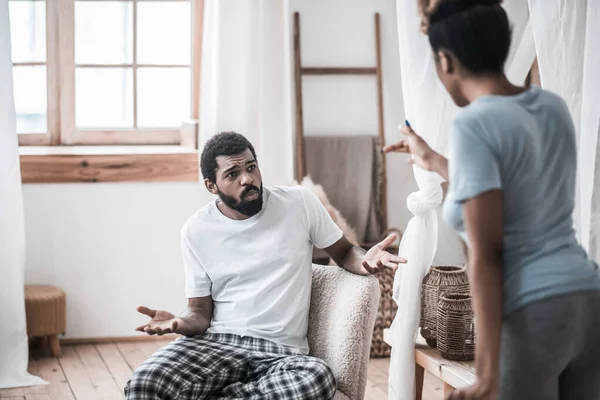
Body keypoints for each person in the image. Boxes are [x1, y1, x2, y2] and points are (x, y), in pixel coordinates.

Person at [384, 1, 600, 399]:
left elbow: (488, 254)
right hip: (586, 301)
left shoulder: (474, 124)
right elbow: (513, 187)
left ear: (445, 61)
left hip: (534, 313)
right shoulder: (551, 108)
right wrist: (430, 157)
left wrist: (487, 372)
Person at [125, 131, 405, 399]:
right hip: (217, 344)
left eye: (252, 167)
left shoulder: (299, 203)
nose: (247, 179)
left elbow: (345, 253)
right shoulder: (196, 230)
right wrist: (180, 322)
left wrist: (365, 259)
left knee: (317, 378)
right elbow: (199, 312)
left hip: (282, 354)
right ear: (211, 185)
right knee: (144, 383)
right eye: (232, 174)